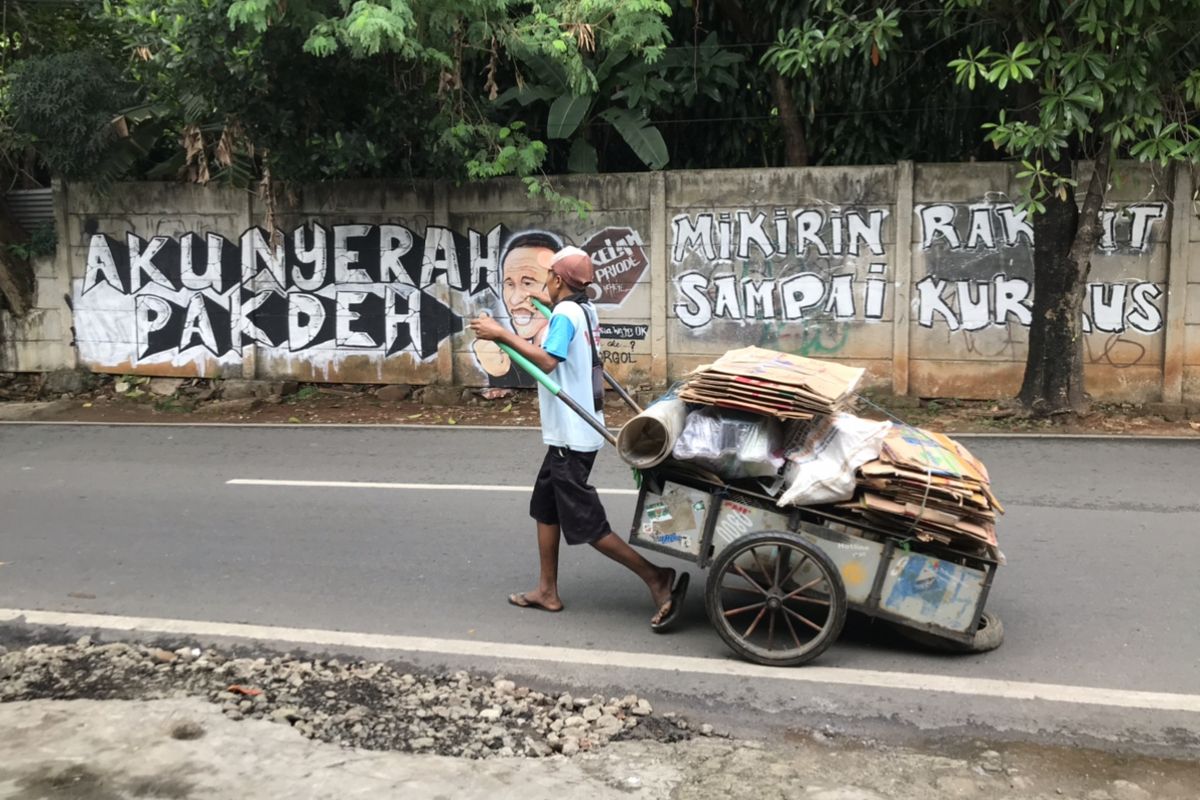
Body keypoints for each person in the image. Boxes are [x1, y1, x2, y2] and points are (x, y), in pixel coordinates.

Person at [468, 245, 689, 632]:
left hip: (571, 436)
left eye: (547, 277)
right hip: (571, 431)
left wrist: (499, 333)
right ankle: (547, 590)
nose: (545, 282)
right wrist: (543, 303)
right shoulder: (583, 309)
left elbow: (549, 359)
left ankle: (657, 577)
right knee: (545, 507)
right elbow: (564, 321)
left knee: (587, 525)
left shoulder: (567, 315)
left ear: (558, 280)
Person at [471, 231, 561, 389]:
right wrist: (501, 372)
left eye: (528, 283)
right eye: (509, 284)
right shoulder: (578, 310)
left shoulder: (568, 316)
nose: (514, 299)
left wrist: (501, 334)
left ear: (556, 283)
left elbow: (548, 363)